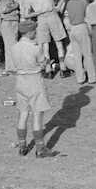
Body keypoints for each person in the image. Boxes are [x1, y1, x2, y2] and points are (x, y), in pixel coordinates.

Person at [12, 21, 58, 158]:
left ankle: (22, 147)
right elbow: (43, 63)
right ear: (31, 32)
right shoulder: (35, 48)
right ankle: (40, 149)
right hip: (34, 80)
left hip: (20, 81)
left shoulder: (14, 47)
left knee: (23, 114)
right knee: (37, 116)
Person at [22, 0, 72, 79]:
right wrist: (58, 6)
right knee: (59, 42)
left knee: (45, 45)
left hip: (41, 18)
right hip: (53, 15)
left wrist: (36, 13)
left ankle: (48, 69)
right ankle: (63, 68)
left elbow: (26, 15)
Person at [65, 0, 96, 85]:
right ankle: (92, 77)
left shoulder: (69, 3)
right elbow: (88, 17)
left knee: (77, 55)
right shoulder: (84, 3)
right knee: (87, 53)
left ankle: (80, 78)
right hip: (82, 26)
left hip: (72, 27)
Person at [0, 0, 21, 73]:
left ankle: (12, 66)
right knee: (11, 45)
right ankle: (12, 67)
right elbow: (3, 9)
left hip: (12, 22)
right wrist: (15, 7)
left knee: (12, 44)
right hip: (8, 23)